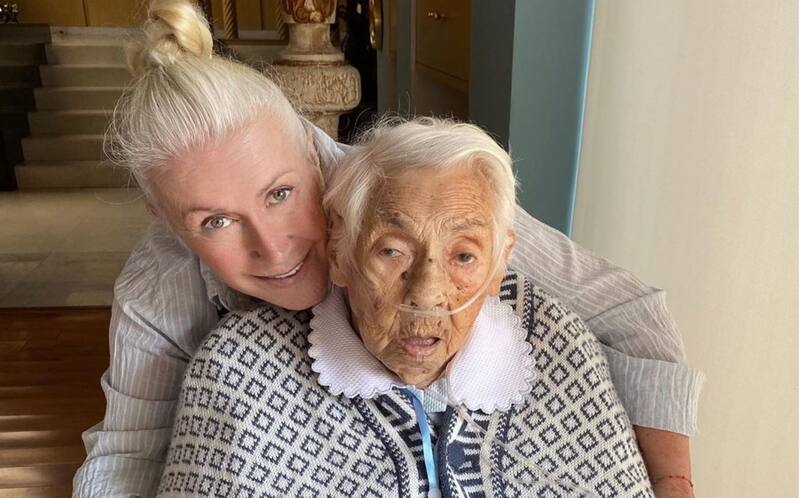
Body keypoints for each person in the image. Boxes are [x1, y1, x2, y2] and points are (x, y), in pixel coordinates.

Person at [72, 1, 703, 497]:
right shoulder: (162, 291)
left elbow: (632, 314)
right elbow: (127, 452)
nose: (273, 247)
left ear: (312, 151)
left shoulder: (411, 196)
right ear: (165, 221)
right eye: (215, 221)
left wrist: (672, 485)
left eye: (281, 194)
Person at [156, 118, 655, 497]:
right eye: (392, 251)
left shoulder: (558, 346)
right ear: (340, 252)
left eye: (464, 256)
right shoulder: (242, 369)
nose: (427, 294)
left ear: (500, 262)